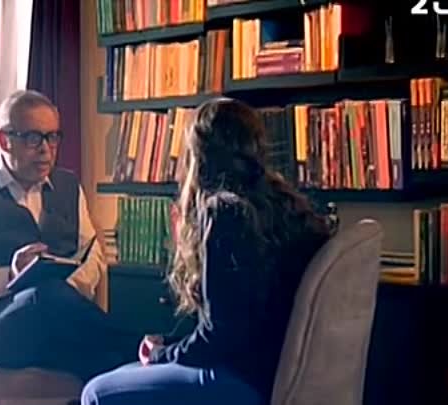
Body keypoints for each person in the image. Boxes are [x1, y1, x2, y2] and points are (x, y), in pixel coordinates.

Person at [80, 97, 336, 405]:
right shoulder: (284, 205)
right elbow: (239, 321)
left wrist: (162, 355)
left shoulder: (225, 212)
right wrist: (171, 345)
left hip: (240, 377)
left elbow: (221, 336)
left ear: (199, 154)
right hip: (271, 371)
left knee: (96, 392)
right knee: (128, 373)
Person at [0, 90, 138, 381]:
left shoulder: (68, 185)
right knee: (43, 298)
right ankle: (145, 347)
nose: (46, 149)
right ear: (4, 140)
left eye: (52, 137)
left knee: (97, 357)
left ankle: (131, 366)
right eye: (34, 138)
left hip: (54, 322)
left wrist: (66, 289)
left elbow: (92, 254)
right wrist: (11, 275)